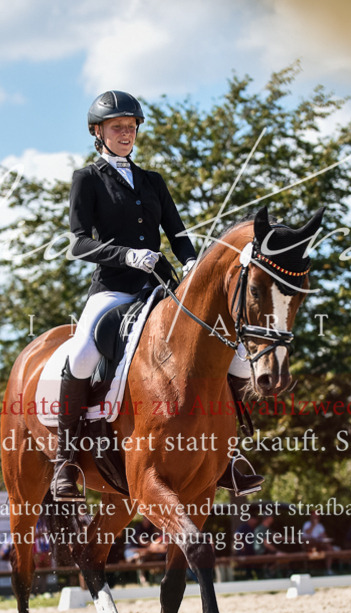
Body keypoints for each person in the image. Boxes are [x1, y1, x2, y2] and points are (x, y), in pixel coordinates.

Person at [51, 89, 263, 502]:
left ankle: (231, 453)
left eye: (131, 127)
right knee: (80, 354)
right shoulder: (88, 180)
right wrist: (125, 254)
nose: (126, 133)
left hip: (160, 287)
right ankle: (66, 460)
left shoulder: (152, 180)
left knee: (234, 352)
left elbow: (178, 234)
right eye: (117, 127)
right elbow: (78, 243)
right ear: (98, 132)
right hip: (113, 287)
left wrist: (190, 265)